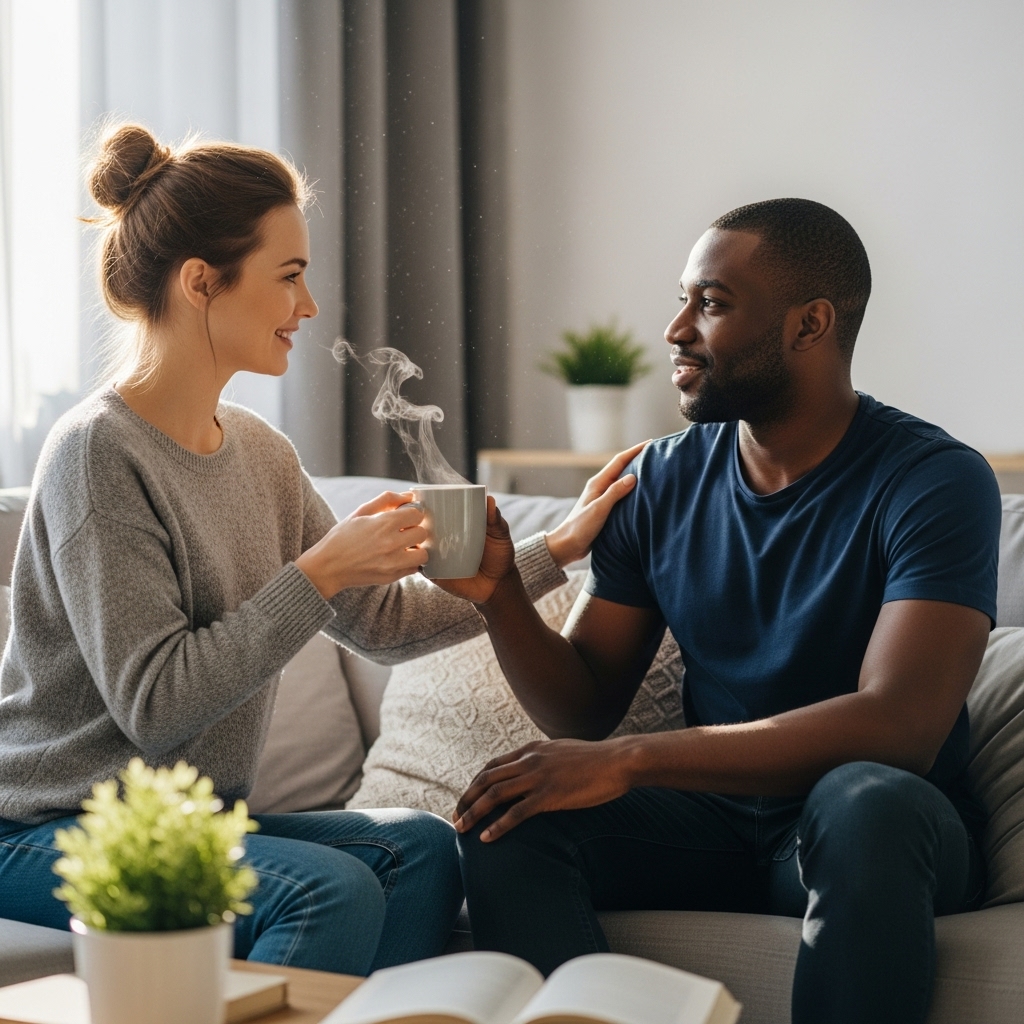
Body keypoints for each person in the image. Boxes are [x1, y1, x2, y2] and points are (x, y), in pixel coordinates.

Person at [0, 125, 637, 976]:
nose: (309, 308)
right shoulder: (96, 453)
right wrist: (326, 566)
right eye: (290, 277)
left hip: (199, 825)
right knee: (328, 890)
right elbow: (157, 703)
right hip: (49, 828)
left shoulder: (262, 453)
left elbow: (383, 627)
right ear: (201, 283)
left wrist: (556, 547)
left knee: (419, 850)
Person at [443, 199, 1001, 1024]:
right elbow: (584, 702)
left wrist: (637, 761)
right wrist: (502, 597)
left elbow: (900, 727)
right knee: (511, 813)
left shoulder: (934, 481)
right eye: (683, 299)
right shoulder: (661, 479)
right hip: (713, 826)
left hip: (876, 832)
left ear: (810, 325)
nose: (674, 330)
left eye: (710, 303)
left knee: (866, 801)